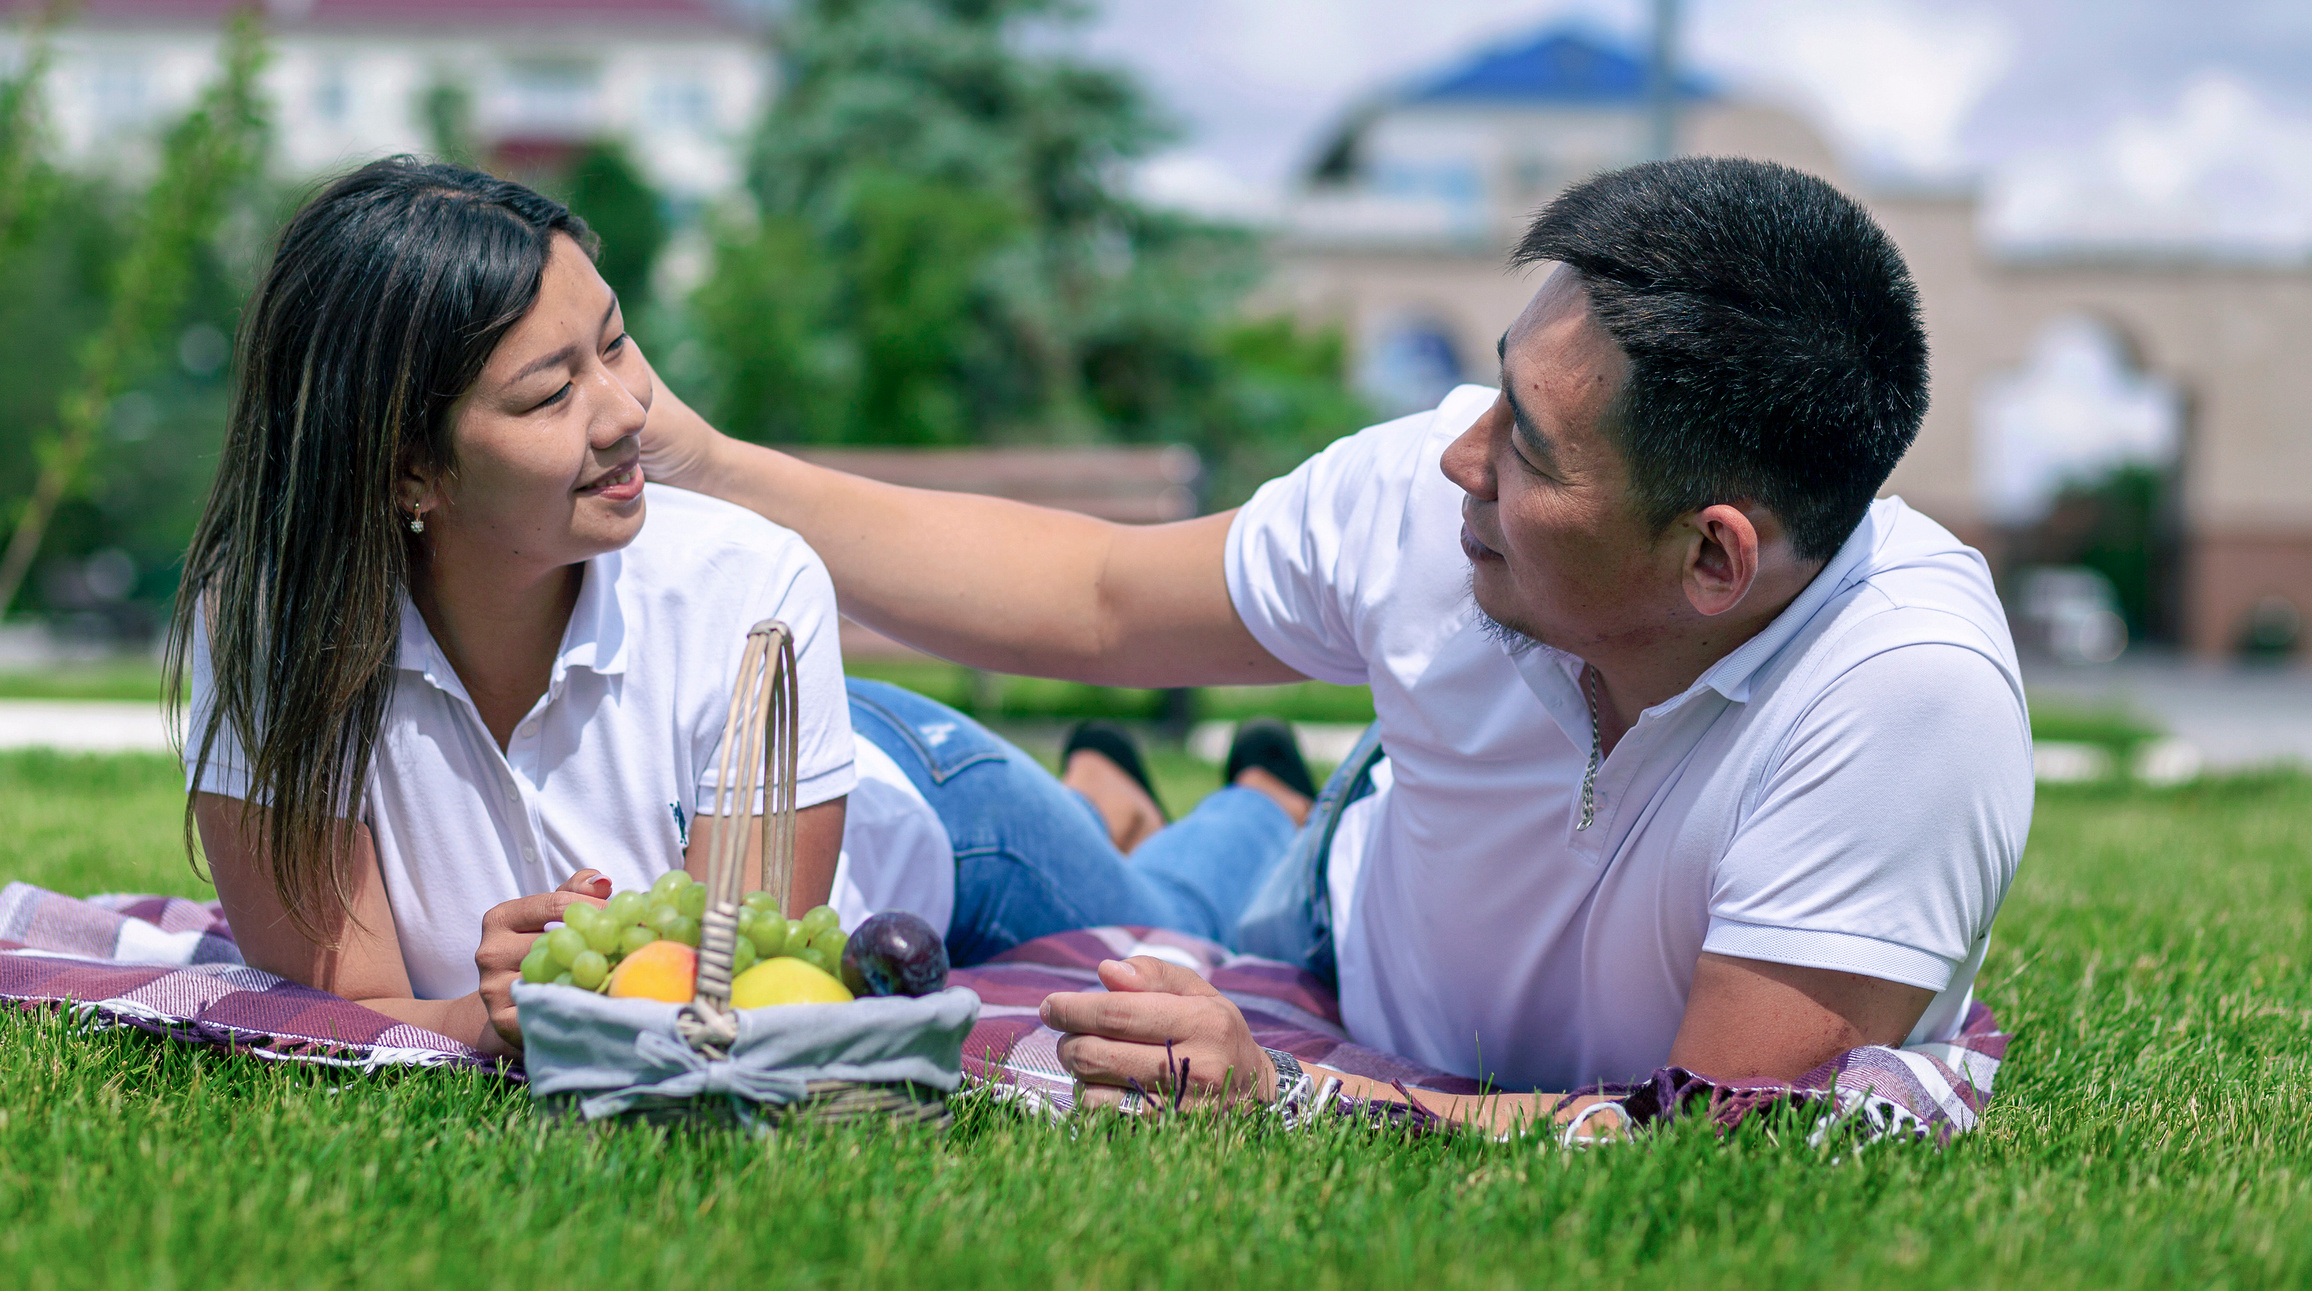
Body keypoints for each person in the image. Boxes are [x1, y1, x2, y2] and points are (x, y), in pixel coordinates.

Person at [636, 156, 2036, 1134]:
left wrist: (1298, 1091)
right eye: (1497, 383)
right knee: (905, 754)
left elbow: (1721, 1136)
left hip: (1349, 960)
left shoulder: (1904, 693)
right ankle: (1261, 807)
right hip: (1345, 904)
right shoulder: (1438, 490)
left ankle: (1239, 803)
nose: (1459, 454)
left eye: (1531, 448)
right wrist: (712, 464)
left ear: (1714, 554)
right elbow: (1103, 593)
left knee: (1160, 905)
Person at [173, 157, 1310, 1055]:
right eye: (551, 391)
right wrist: (485, 1018)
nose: (626, 413)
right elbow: (337, 1011)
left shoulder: (745, 586)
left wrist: (558, 1002)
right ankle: (1109, 786)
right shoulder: (271, 632)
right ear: (406, 469)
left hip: (929, 803)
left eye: (615, 343)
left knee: (1181, 915)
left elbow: (730, 995)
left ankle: (1257, 800)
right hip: (789, 746)